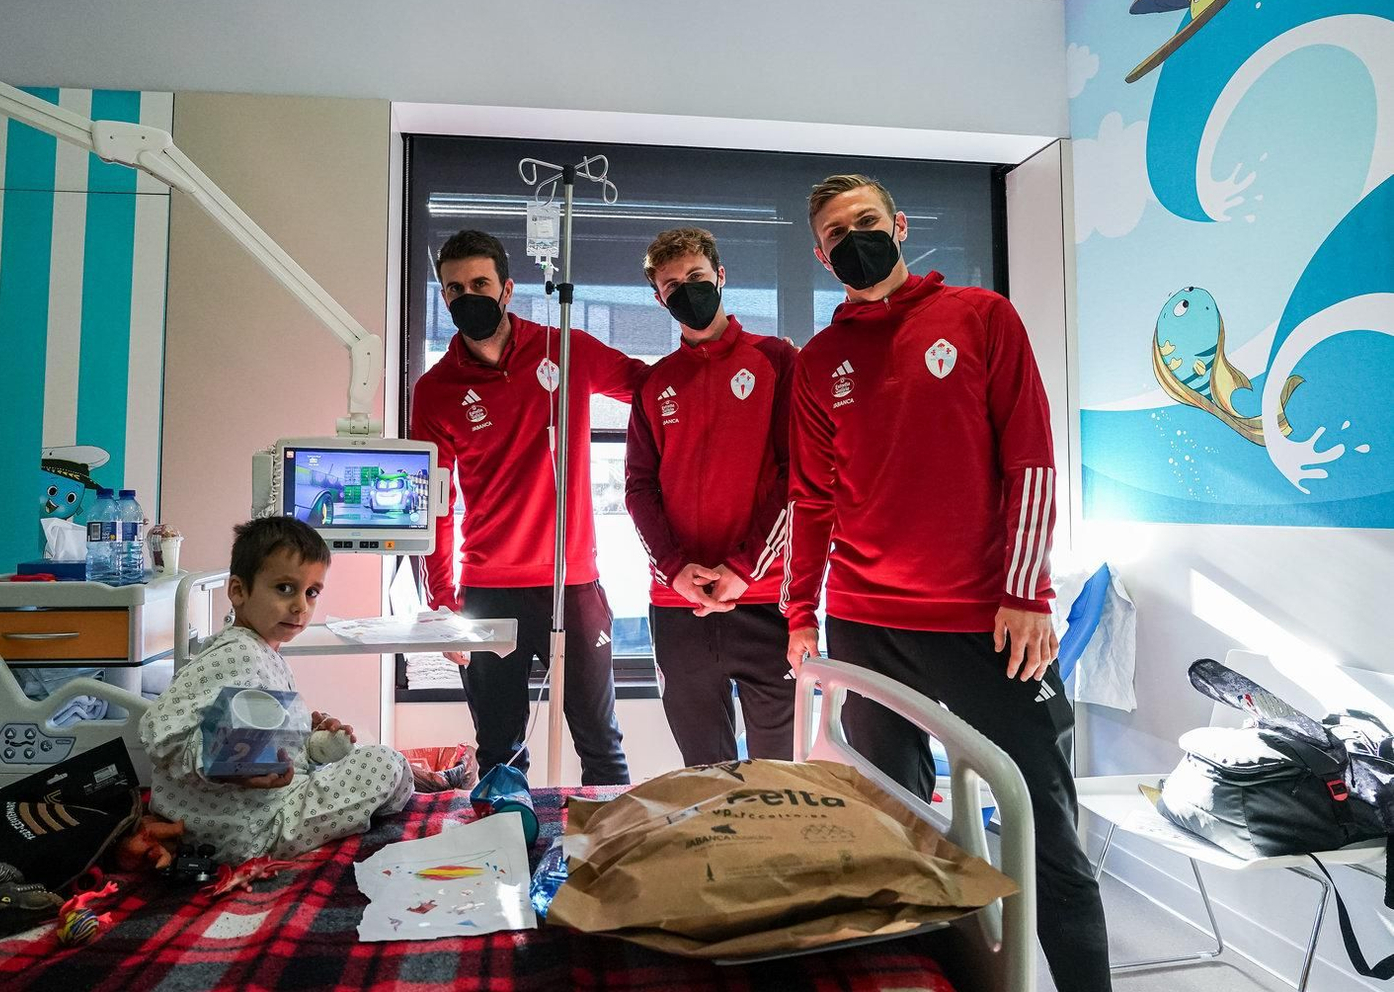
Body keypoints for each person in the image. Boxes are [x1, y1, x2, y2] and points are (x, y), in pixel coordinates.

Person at [781, 175, 1110, 990]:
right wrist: (800, 611)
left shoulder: (980, 317)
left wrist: (1027, 593)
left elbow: (1030, 459)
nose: (854, 238)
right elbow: (811, 499)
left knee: (1045, 832)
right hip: (866, 622)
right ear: (820, 256)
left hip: (985, 620)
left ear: (899, 225)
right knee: (897, 830)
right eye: (836, 233)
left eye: (866, 221)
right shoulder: (819, 363)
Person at [410, 229, 645, 785]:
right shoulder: (436, 389)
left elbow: (655, 389)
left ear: (508, 289)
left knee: (601, 744)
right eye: (455, 288)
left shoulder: (564, 349)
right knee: (499, 750)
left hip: (572, 583)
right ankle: (509, 837)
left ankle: (605, 839)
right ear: (444, 296)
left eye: (480, 284)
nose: (468, 296)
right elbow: (436, 502)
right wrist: (442, 599)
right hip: (488, 589)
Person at [140, 516, 418, 863]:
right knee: (384, 763)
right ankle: (411, 783)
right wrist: (229, 768)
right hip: (252, 828)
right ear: (238, 591)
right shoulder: (239, 654)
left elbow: (257, 741)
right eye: (285, 588)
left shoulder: (260, 653)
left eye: (311, 592)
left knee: (363, 754)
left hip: (243, 819)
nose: (301, 606)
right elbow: (159, 731)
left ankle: (405, 781)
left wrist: (310, 741)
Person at [624, 227, 797, 765]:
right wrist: (674, 569)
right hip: (680, 605)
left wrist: (745, 567)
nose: (687, 290)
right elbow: (639, 489)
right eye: (672, 285)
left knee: (779, 778)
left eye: (696, 276)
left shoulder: (776, 360)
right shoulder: (654, 383)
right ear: (659, 298)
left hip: (766, 597)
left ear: (720, 276)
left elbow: (799, 476)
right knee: (705, 774)